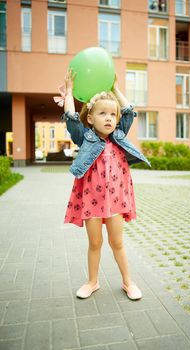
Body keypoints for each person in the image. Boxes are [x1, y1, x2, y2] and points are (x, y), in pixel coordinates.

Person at [57, 70, 150, 300]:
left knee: (117, 242)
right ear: (90, 118)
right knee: (95, 243)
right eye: (102, 114)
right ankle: (92, 282)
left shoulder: (119, 135)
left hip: (116, 202)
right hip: (92, 201)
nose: (109, 118)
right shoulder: (85, 137)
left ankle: (128, 282)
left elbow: (129, 112)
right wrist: (69, 93)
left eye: (112, 114)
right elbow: (70, 117)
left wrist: (116, 89)